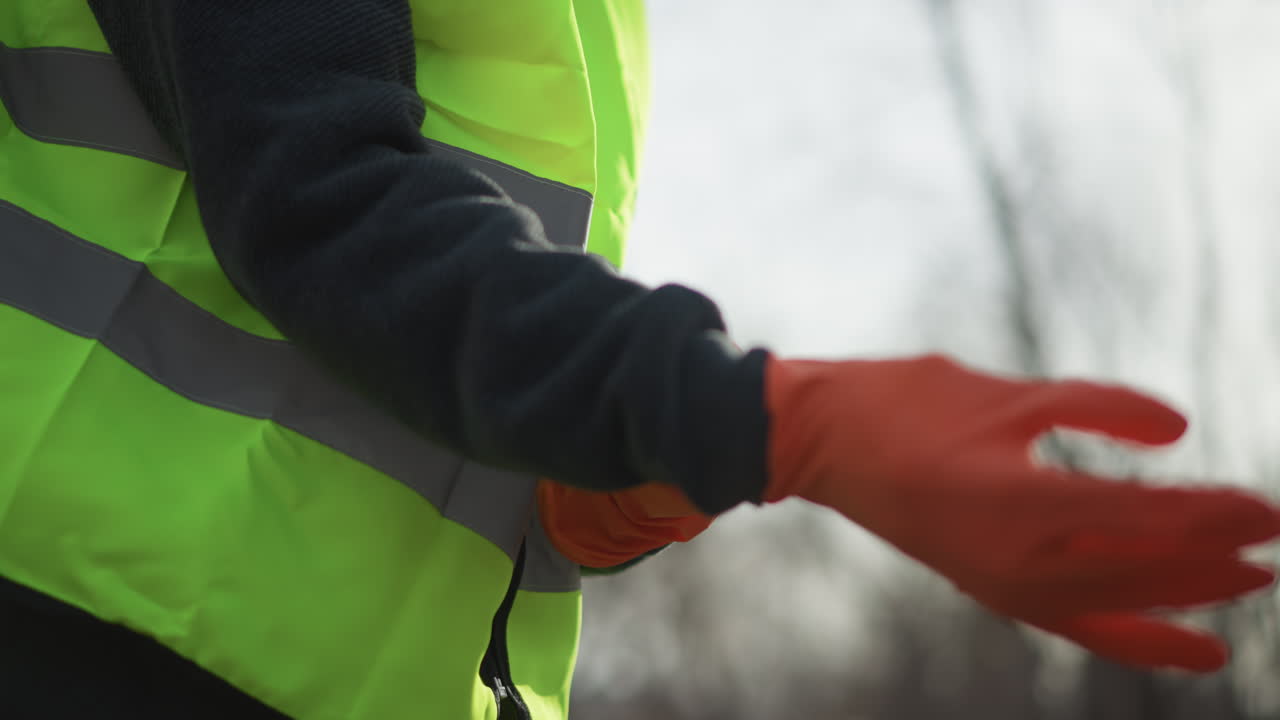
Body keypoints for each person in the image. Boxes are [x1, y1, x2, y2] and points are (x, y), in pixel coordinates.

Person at [0, 1, 1276, 718]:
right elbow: (315, 198)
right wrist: (759, 416)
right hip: (74, 628)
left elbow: (405, 333)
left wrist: (582, 492)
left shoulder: (591, 26)